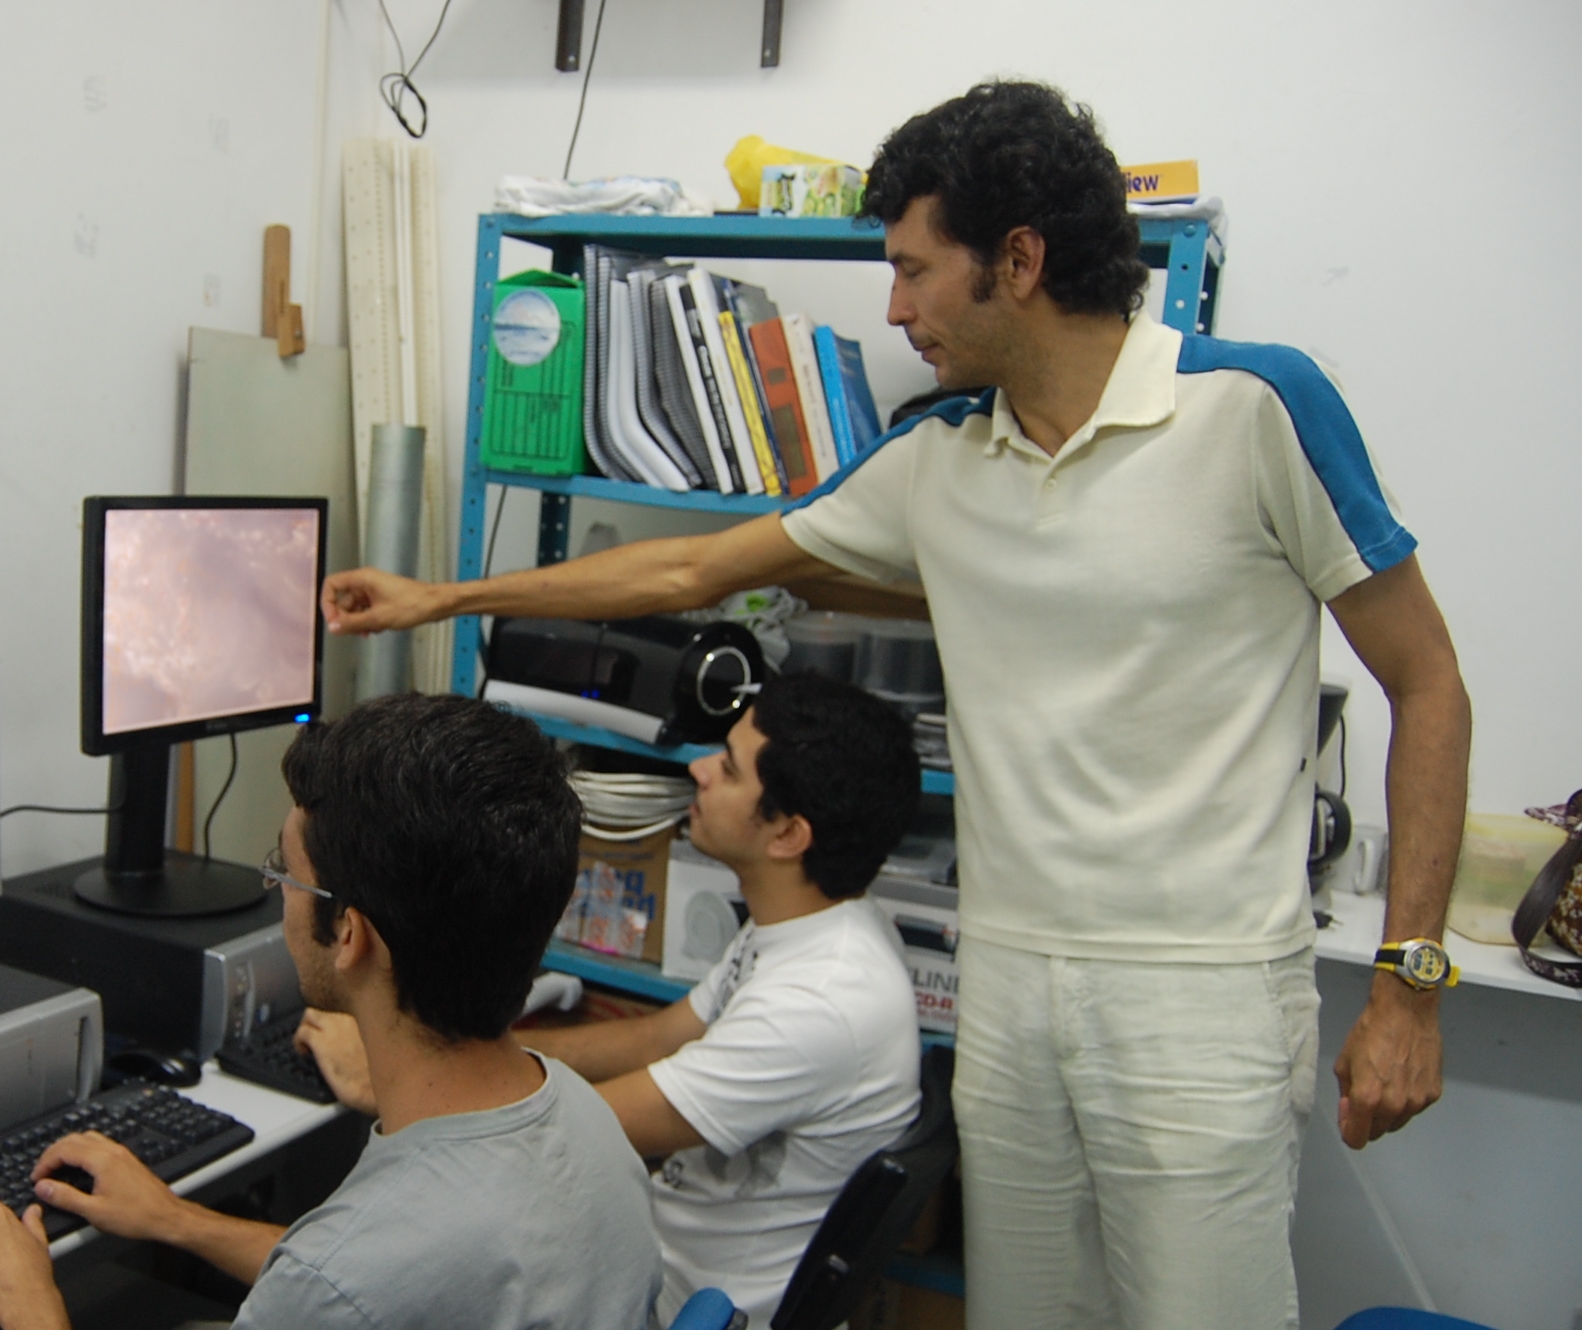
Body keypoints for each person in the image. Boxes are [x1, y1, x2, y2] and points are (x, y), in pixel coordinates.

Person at [318, 81, 1471, 1330]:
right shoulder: (938, 459)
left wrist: (1409, 985)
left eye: (916, 270)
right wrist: (442, 595)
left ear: (1017, 260)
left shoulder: (1257, 407)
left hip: (1201, 996)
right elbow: (689, 568)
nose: (895, 306)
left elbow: (1428, 684)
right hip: (1011, 984)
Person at [0, 693, 664, 1330]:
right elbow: (370, 1286)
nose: (277, 894)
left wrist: (27, 1301)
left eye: (286, 875)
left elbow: (343, 1287)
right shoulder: (585, 1122)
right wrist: (178, 1220)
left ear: (352, 936)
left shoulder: (342, 1278)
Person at [301, 672, 925, 1326]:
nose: (701, 769)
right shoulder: (817, 925)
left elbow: (561, 1134)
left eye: (732, 769)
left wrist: (394, 1070)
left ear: (788, 835)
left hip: (668, 1303)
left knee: (377, 1282)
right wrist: (451, 1047)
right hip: (661, 1258)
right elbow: (655, 1038)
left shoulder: (820, 1001)